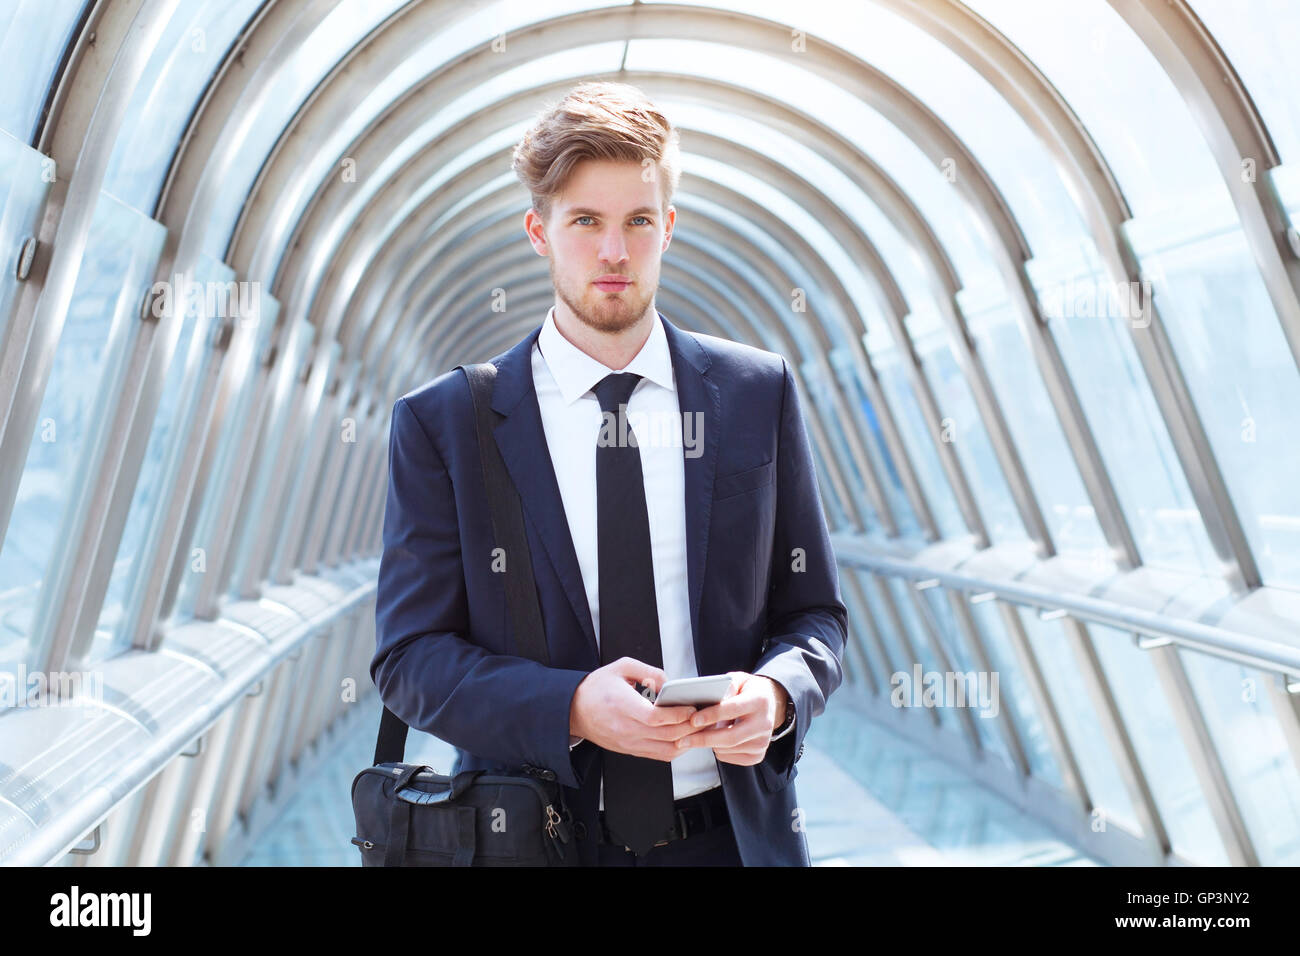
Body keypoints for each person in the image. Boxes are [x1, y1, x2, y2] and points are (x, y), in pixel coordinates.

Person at [372, 80, 846, 866]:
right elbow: (409, 658)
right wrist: (570, 708)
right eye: (585, 222)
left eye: (637, 222)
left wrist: (776, 695)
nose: (615, 253)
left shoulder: (757, 393)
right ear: (539, 231)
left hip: (731, 841)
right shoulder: (446, 422)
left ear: (669, 227)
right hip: (537, 839)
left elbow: (816, 617)